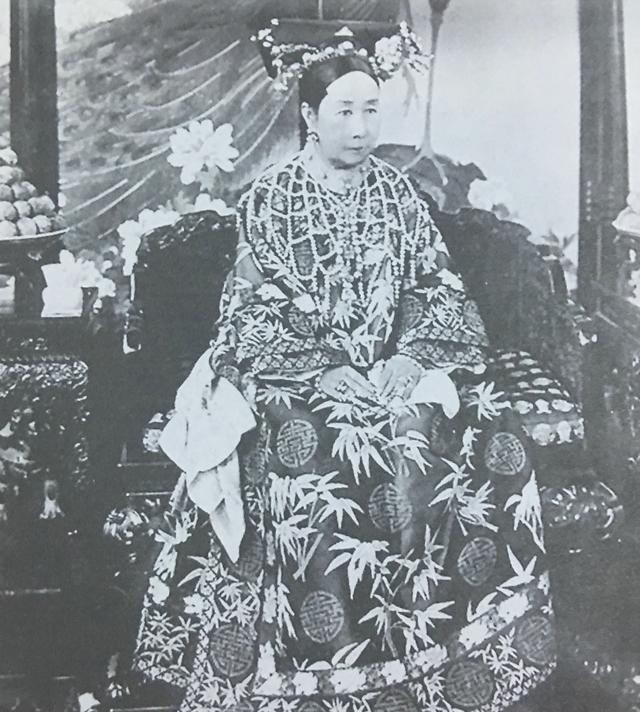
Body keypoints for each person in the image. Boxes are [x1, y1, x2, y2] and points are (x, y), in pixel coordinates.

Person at [131, 22, 556, 712]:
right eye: (343, 112)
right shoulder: (271, 196)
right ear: (309, 116)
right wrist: (323, 367)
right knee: (318, 445)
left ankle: (430, 653)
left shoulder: (398, 194)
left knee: (454, 423)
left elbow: (437, 286)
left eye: (370, 111)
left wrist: (411, 356)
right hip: (295, 372)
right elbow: (253, 304)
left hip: (392, 364)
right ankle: (322, 666)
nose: (359, 129)